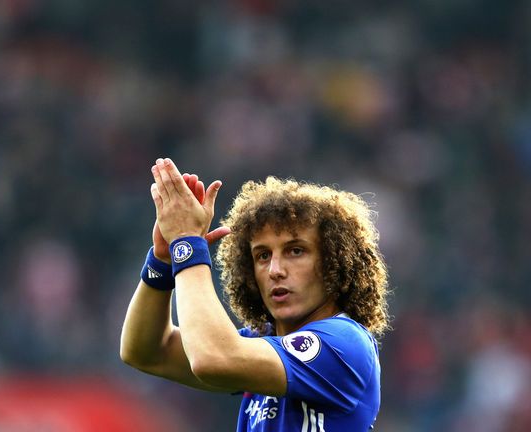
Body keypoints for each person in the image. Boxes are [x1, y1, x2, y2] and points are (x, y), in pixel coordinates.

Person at [120, 158, 390, 431]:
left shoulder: (343, 343)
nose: (275, 270)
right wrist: (163, 261)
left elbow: (213, 358)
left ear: (335, 262)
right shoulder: (263, 343)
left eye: (295, 251)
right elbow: (147, 351)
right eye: (262, 255)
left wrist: (187, 245)